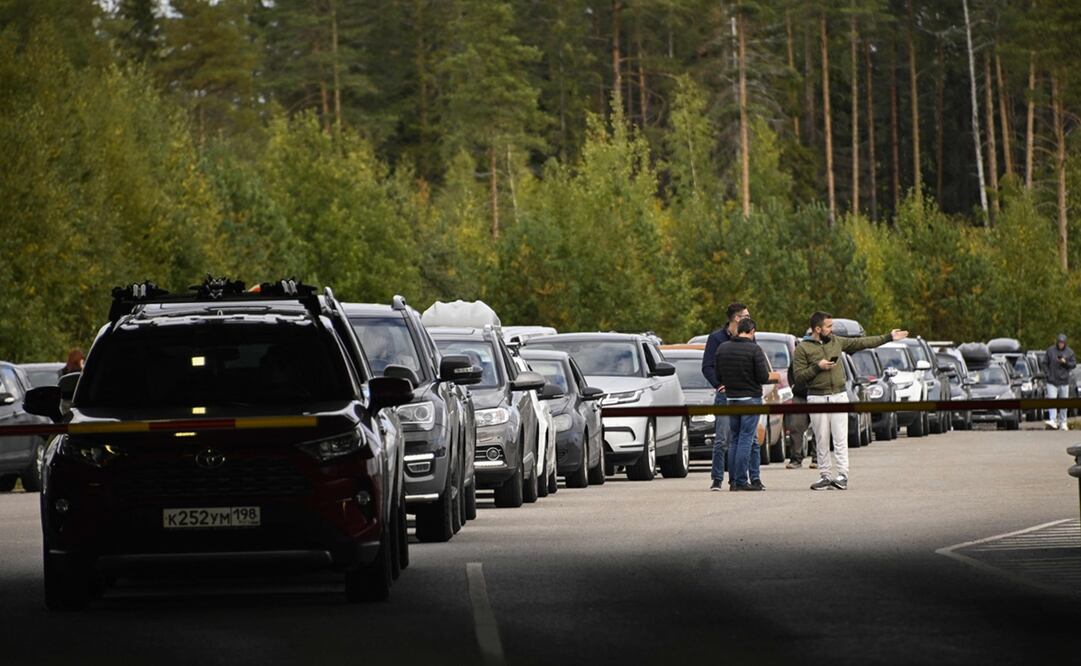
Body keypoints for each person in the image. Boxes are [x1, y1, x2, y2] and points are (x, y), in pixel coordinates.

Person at [792, 312, 908, 491]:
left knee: (840, 437)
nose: (832, 329)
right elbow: (799, 377)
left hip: (839, 395)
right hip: (816, 397)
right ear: (818, 329)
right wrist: (817, 367)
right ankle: (825, 476)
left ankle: (842, 475)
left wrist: (888, 337)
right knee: (821, 438)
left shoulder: (837, 341)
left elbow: (862, 343)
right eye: (828, 326)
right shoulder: (803, 348)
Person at [713, 317, 770, 491]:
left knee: (735, 439)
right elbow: (763, 377)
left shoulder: (723, 348)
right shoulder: (754, 349)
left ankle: (733, 481)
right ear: (752, 331)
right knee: (746, 438)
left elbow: (718, 374)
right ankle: (741, 481)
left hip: (731, 398)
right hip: (750, 398)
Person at [701, 302, 750, 490]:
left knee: (741, 439)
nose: (749, 319)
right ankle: (717, 478)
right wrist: (718, 384)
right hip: (725, 395)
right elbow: (707, 366)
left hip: (743, 393)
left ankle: (737, 479)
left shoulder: (748, 336)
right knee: (722, 439)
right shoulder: (716, 338)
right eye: (746, 316)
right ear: (736, 318)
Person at [1044, 334, 1077, 431]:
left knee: (1063, 403)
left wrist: (1065, 362)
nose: (1060, 344)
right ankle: (1053, 420)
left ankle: (1063, 422)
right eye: (1059, 342)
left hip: (1064, 381)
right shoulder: (1050, 351)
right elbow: (1044, 363)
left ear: (1065, 343)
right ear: (1057, 342)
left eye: (1062, 343)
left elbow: (1073, 364)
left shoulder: (1069, 352)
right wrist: (1047, 374)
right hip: (1052, 381)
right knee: (1052, 401)